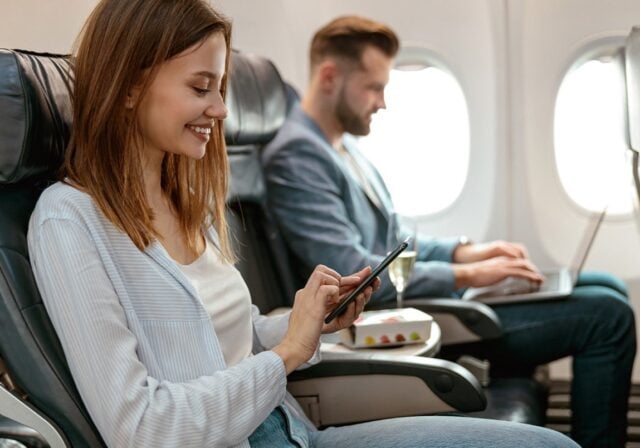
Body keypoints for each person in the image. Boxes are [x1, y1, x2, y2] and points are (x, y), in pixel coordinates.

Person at [25, 1, 580, 447]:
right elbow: (143, 430)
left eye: (220, 87)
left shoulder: (185, 199)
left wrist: (306, 323)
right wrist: (285, 354)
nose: (220, 109)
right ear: (127, 86)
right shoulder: (70, 222)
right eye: (200, 88)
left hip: (290, 428)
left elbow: (228, 343)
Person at [261, 14, 636, 448]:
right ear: (330, 77)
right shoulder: (296, 157)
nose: (382, 102)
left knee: (607, 285)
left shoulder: (345, 149)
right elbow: (356, 276)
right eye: (374, 87)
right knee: (609, 319)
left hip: (416, 298)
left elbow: (397, 241)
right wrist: (470, 278)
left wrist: (469, 253)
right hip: (392, 319)